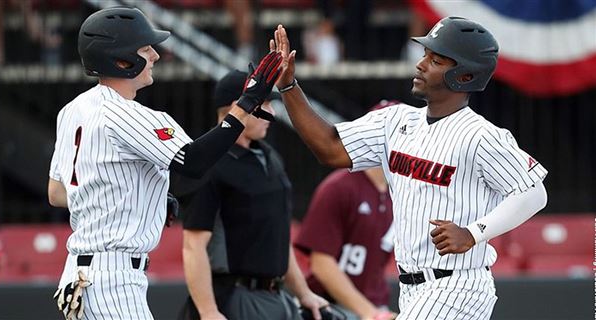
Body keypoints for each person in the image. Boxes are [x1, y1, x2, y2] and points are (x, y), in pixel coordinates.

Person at [270, 17, 548, 320]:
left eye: (436, 59)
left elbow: (534, 193)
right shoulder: (395, 120)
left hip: (457, 287)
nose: (421, 64)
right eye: (426, 54)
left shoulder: (481, 135)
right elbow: (329, 148)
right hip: (413, 288)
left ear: (465, 77)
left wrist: (473, 233)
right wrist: (289, 87)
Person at [47, 7, 282, 320]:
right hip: (113, 278)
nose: (155, 55)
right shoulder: (128, 114)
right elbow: (194, 161)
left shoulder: (72, 110)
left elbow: (58, 192)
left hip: (83, 272)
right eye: (146, 49)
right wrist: (246, 104)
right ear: (121, 59)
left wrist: (146, 193)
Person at [179, 70, 328, 320]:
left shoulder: (269, 156)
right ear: (235, 108)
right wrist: (208, 311)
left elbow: (277, 235)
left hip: (278, 296)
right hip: (235, 297)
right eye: (262, 105)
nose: (270, 113)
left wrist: (303, 293)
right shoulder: (209, 163)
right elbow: (194, 246)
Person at [295, 163, 397, 320]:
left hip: (377, 304)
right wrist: (370, 313)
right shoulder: (338, 187)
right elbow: (322, 264)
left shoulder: (401, 195)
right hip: (329, 306)